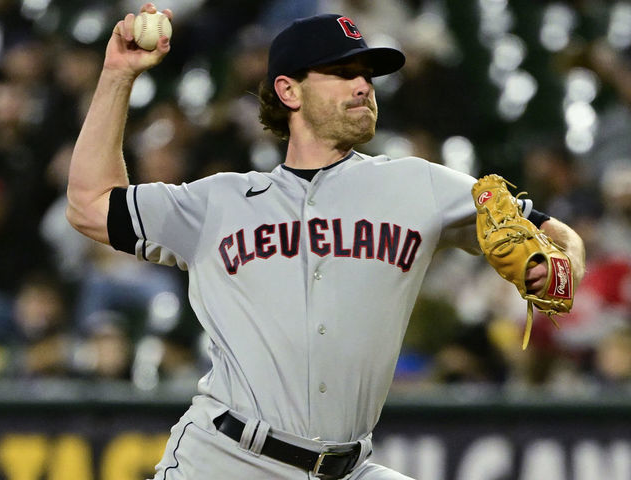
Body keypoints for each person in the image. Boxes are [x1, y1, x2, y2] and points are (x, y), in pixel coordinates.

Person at [66, 4, 586, 479]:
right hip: (225, 459)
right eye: (341, 73)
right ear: (289, 91)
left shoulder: (421, 185)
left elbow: (556, 235)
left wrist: (560, 265)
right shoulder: (215, 204)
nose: (363, 85)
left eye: (367, 74)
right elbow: (90, 204)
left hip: (348, 468)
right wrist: (118, 75)